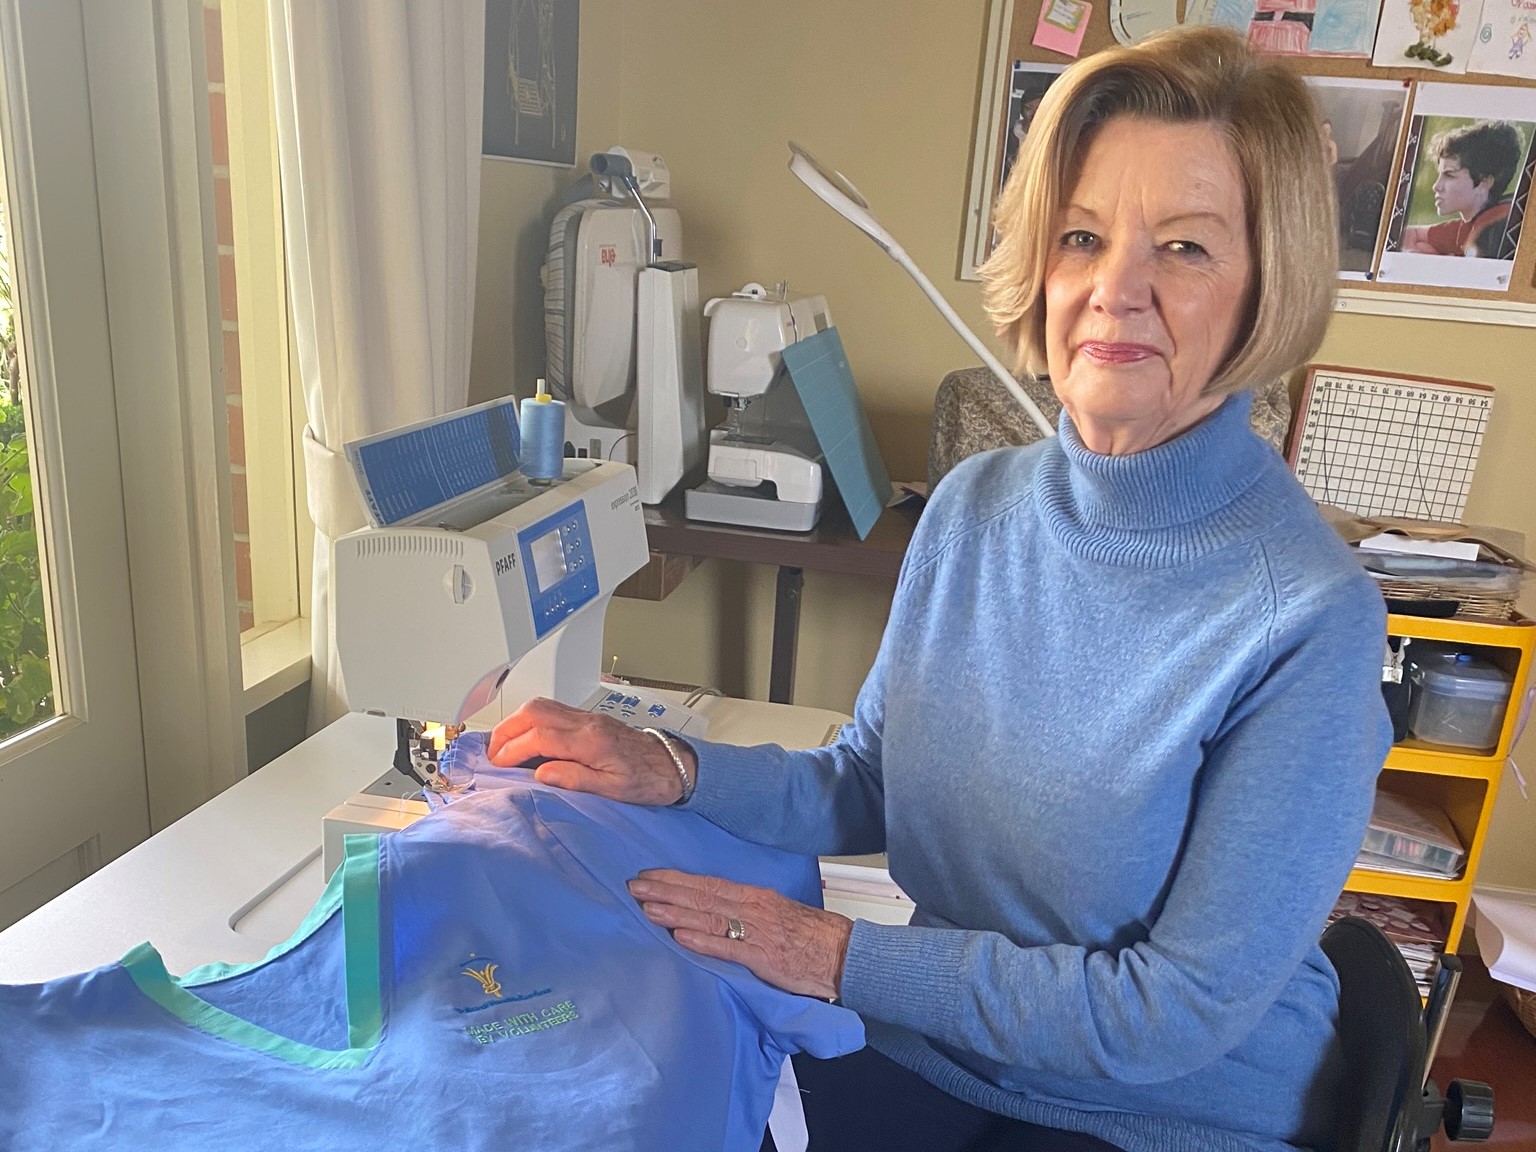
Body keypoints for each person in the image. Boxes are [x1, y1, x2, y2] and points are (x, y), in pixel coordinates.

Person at [489, 26, 1391, 1152]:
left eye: (1186, 249)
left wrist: (831, 955)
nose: (1116, 290)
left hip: (1163, 1110)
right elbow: (872, 781)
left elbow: (1175, 1012)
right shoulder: (974, 510)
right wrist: (669, 769)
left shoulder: (1308, 621)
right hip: (943, 1052)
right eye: (1083, 236)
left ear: (1267, 286)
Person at [1402, 120, 1525, 258]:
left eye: (1450, 175)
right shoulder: (1471, 225)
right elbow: (1407, 235)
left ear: (1485, 182)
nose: (1437, 186)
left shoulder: (1496, 229)